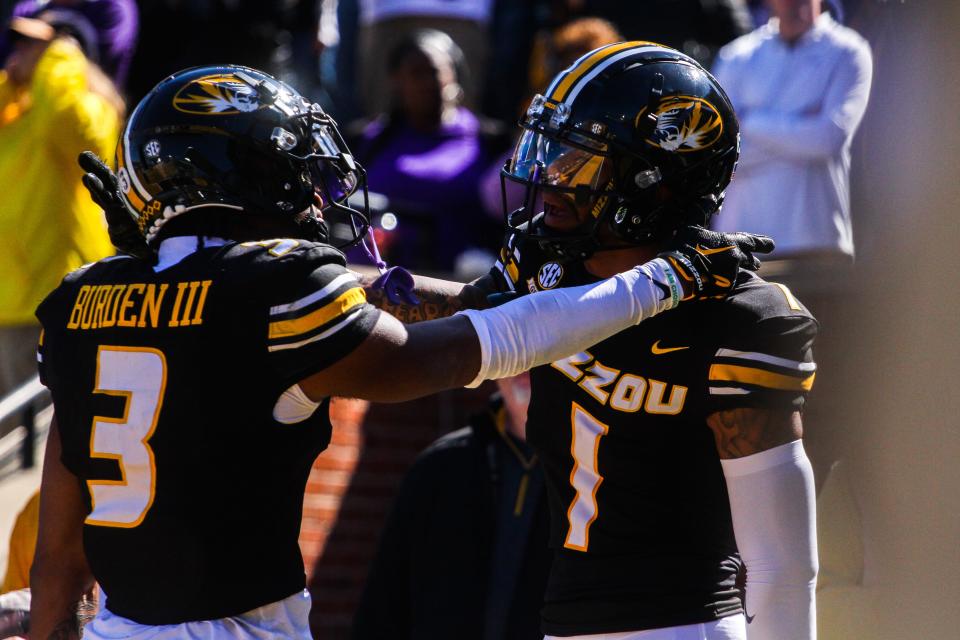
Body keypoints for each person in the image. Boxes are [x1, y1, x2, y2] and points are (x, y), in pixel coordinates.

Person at [30, 64, 764, 639]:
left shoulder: (79, 303)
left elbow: (58, 561)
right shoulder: (277, 287)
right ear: (240, 174)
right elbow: (461, 352)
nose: (312, 193)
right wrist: (664, 280)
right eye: (291, 166)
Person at [363, 42, 820, 640]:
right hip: (565, 622)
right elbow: (475, 310)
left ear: (654, 182)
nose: (549, 174)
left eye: (578, 157)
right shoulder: (548, 264)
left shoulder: (737, 316)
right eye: (551, 147)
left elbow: (781, 563)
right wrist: (330, 283)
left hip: (683, 626)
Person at [351, 373, 550, 640]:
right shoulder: (438, 467)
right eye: (516, 333)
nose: (527, 360)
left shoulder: (598, 471)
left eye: (539, 335)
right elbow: (382, 613)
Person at [0, 14, 119, 425]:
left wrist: (61, 61)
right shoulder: (16, 108)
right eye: (17, 44)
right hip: (9, 300)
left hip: (58, 297)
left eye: (34, 45)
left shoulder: (88, 106)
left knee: (52, 433)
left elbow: (77, 133)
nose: (20, 54)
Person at [710, 0, 873, 261]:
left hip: (818, 245)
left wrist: (748, 121)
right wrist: (802, 130)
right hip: (742, 252)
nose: (794, 4)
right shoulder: (735, 57)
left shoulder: (849, 51)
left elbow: (828, 139)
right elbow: (718, 156)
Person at [350, 29, 508, 271]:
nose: (426, 83)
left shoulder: (490, 140)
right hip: (374, 277)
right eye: (416, 74)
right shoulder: (366, 139)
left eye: (434, 72)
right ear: (396, 80)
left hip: (459, 281)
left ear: (454, 75)